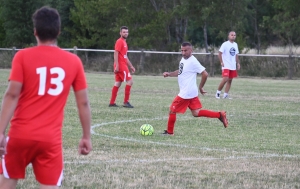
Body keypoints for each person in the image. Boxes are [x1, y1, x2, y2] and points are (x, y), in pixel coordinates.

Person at [0, 6, 92, 189]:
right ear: (58, 31)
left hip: (20, 135)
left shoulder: (22, 57)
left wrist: (0, 131)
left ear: (35, 32)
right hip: (50, 139)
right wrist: (86, 136)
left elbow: (12, 94)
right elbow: (83, 103)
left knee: (6, 181)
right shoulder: (73, 61)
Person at [162, 42, 228, 135]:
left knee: (172, 110)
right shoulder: (183, 59)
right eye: (182, 50)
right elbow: (180, 71)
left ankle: (169, 132)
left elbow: (205, 73)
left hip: (186, 93)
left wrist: (201, 87)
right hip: (190, 92)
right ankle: (219, 115)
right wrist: (169, 74)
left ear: (191, 51)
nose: (183, 53)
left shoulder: (193, 61)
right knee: (196, 113)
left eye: (186, 50)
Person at [109, 26, 135, 108]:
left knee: (118, 83)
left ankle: (112, 103)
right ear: (120, 33)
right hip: (120, 65)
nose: (125, 33)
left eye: (126, 32)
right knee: (130, 81)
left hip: (122, 64)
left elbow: (125, 56)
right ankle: (126, 102)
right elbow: (115, 53)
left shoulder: (124, 42)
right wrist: (117, 65)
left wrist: (131, 66)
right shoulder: (119, 42)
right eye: (124, 32)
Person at [215, 31, 241, 99]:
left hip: (232, 65)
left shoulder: (235, 44)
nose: (233, 36)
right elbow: (220, 53)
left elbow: (236, 54)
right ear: (228, 36)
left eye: (234, 35)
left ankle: (225, 95)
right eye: (232, 35)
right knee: (225, 79)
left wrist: (237, 63)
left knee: (230, 80)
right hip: (226, 65)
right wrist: (221, 62)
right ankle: (218, 93)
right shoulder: (225, 44)